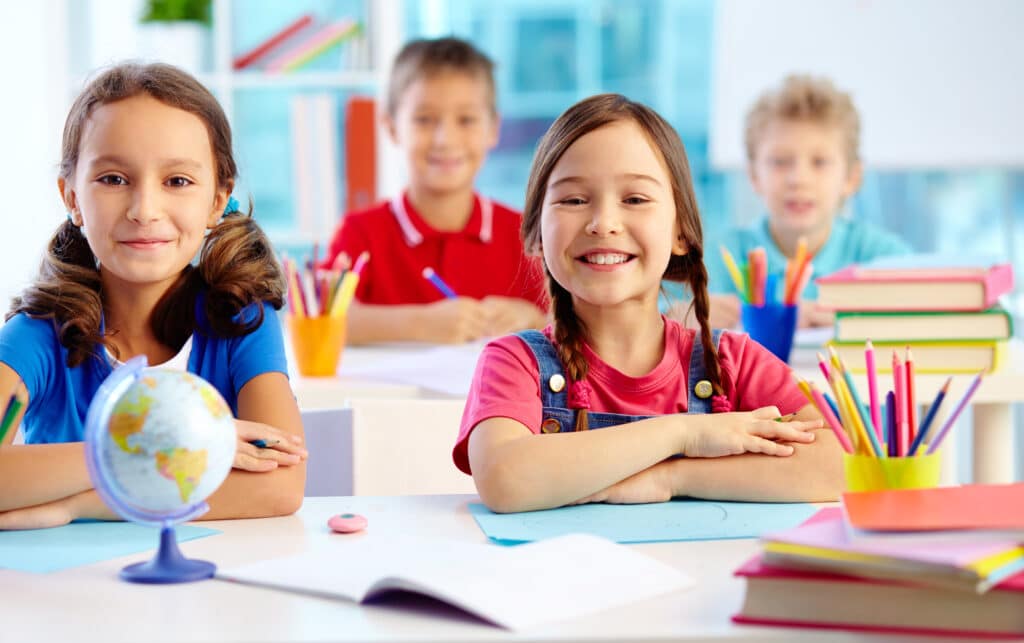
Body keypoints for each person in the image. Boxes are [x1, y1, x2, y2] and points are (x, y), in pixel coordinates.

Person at [452, 94, 844, 513]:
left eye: (635, 199)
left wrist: (671, 478)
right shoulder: (514, 362)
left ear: (680, 232)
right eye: (573, 199)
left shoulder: (733, 363)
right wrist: (682, 435)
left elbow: (842, 462)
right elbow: (505, 479)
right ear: (535, 233)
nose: (603, 222)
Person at [0, 63, 307, 530]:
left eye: (177, 181)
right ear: (72, 198)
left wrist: (77, 505)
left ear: (217, 199)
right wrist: (166, 451)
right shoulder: (38, 335)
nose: (145, 210)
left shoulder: (241, 321)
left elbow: (280, 484)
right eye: (114, 180)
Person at [319, 37, 547, 344]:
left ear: (493, 129)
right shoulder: (360, 233)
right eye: (424, 120)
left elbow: (575, 322)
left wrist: (531, 317)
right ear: (391, 127)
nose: (444, 139)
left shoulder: (525, 236)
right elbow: (321, 319)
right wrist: (420, 324)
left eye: (466, 120)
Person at [665, 75, 910, 329]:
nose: (798, 179)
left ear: (852, 177)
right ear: (754, 176)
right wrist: (683, 314)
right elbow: (649, 316)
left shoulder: (882, 259)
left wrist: (848, 320)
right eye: (780, 162)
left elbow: (922, 317)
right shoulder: (714, 258)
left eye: (820, 162)